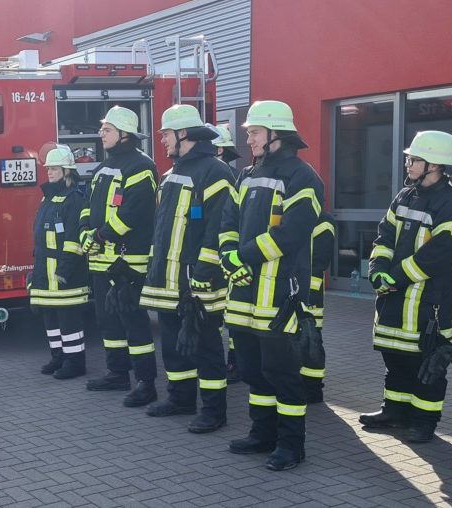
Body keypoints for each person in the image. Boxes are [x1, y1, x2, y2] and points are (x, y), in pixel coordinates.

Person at [219, 100, 324, 471]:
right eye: (249, 133)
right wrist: (228, 253)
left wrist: (241, 257)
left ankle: (291, 445)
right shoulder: (245, 175)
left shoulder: (303, 177)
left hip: (280, 294)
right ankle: (262, 433)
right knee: (252, 370)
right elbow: (228, 219)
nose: (248, 139)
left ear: (276, 134)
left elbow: (291, 234)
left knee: (283, 374)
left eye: (254, 132)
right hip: (245, 293)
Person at [359, 130, 452, 443]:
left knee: (428, 368)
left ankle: (424, 422)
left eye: (415, 160)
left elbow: (439, 253)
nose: (408, 164)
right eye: (409, 159)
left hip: (427, 304)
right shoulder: (405, 196)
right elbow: (384, 236)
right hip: (395, 300)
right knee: (395, 359)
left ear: (435, 165)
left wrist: (396, 277)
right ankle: (394, 411)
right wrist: (378, 270)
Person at [139, 105, 234, 433]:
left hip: (197, 282)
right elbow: (163, 229)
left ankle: (213, 410)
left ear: (184, 135)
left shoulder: (216, 172)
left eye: (166, 133)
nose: (162, 139)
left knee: (206, 347)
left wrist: (203, 275)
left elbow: (219, 229)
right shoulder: (170, 174)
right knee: (173, 344)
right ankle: (179, 398)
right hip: (167, 280)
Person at [79, 106, 159, 405]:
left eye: (108, 129)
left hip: (127, 262)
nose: (101, 133)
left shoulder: (141, 167)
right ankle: (117, 373)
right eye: (103, 129)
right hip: (101, 259)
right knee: (107, 320)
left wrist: (99, 236)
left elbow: (133, 213)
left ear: (125, 134)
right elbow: (88, 205)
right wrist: (86, 229)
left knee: (134, 322)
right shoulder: (103, 167)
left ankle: (146, 382)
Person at [29, 145, 89, 379]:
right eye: (49, 169)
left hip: (65, 276)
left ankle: (75, 363)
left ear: (67, 172)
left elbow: (73, 241)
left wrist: (64, 271)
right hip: (46, 273)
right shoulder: (48, 198)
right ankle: (58, 358)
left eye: (54, 169)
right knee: (51, 319)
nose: (50, 173)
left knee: (69, 322)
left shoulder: (74, 200)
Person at [209, 123, 243, 383]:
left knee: (229, 313)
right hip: (224, 256)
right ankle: (232, 362)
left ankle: (234, 362)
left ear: (219, 148)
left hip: (227, 257)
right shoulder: (230, 174)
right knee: (224, 314)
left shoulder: (227, 176)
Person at [302, 212, 335, 403]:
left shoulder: (324, 221)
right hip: (297, 289)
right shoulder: (296, 215)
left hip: (311, 293)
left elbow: (320, 260)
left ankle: (313, 389)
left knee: (312, 341)